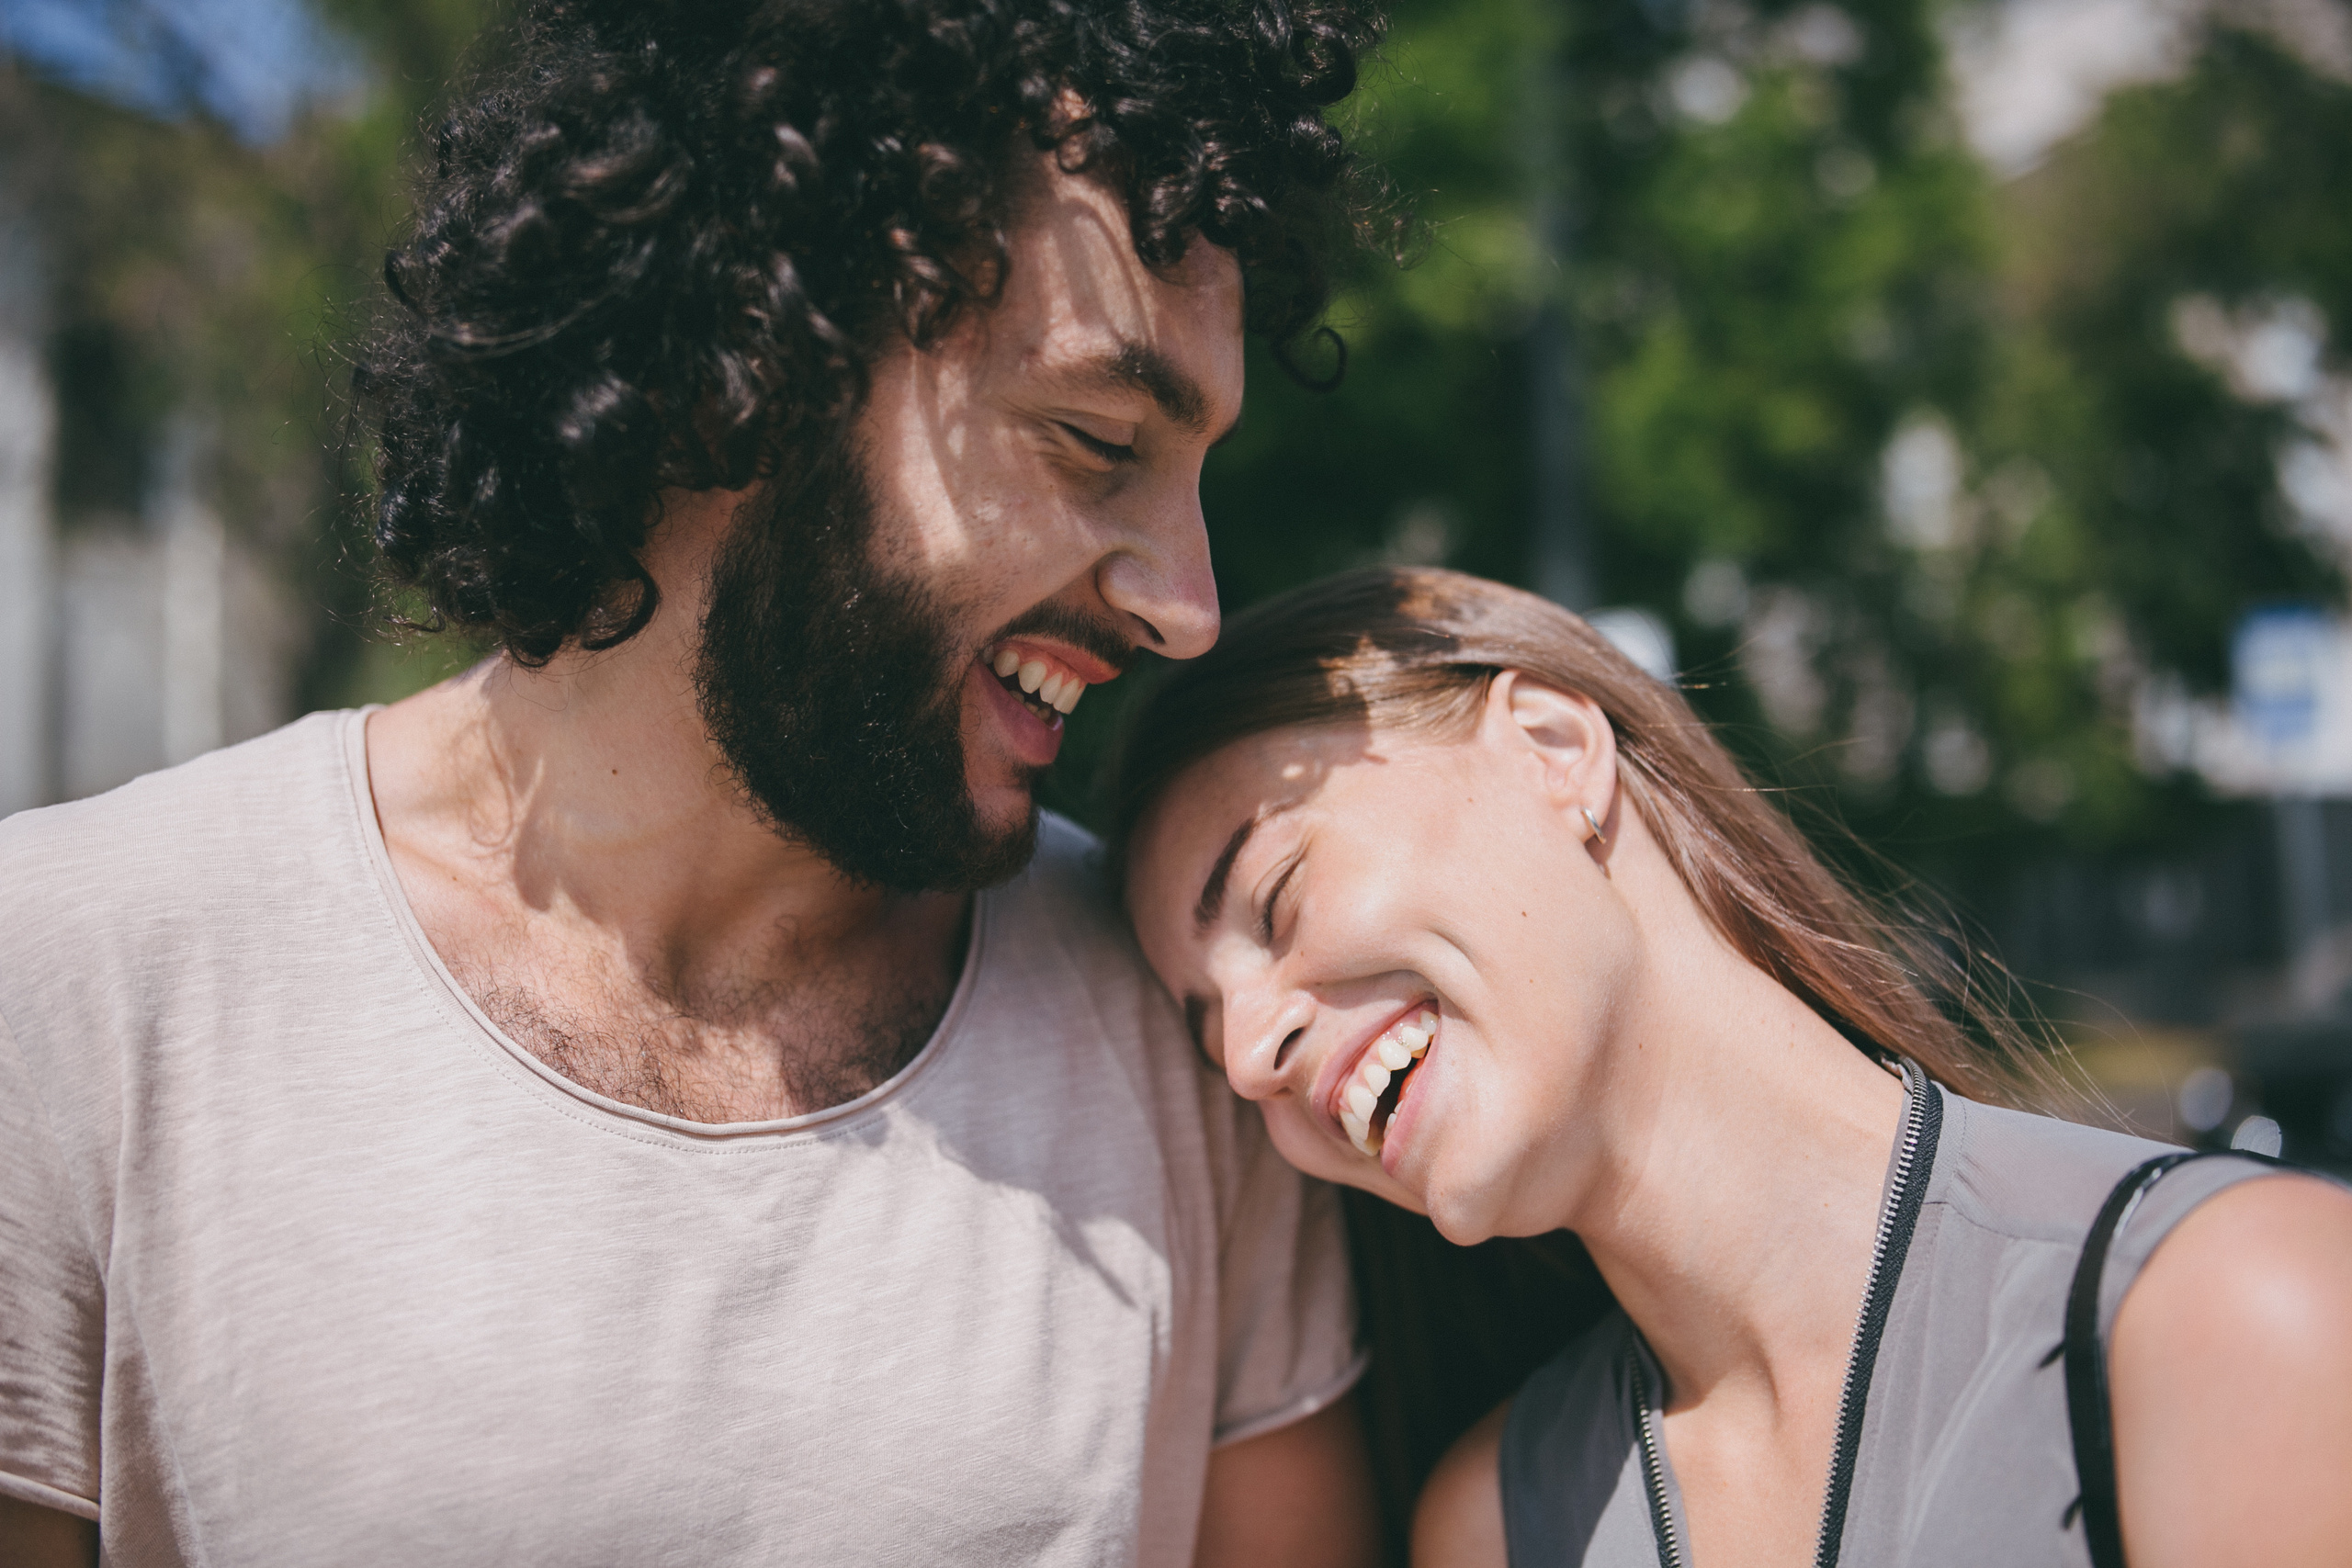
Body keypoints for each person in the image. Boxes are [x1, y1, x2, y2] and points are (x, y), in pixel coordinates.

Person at [0, 5, 1399, 1562]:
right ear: (746, 366)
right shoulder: (68, 982)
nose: (1189, 605)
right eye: (1093, 440)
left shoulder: (1195, 1023)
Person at [1113, 566, 2352, 1568]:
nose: (1249, 1052)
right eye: (1205, 1034)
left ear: (1552, 745)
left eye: (1273, 901)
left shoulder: (2237, 1321)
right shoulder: (1493, 1528)